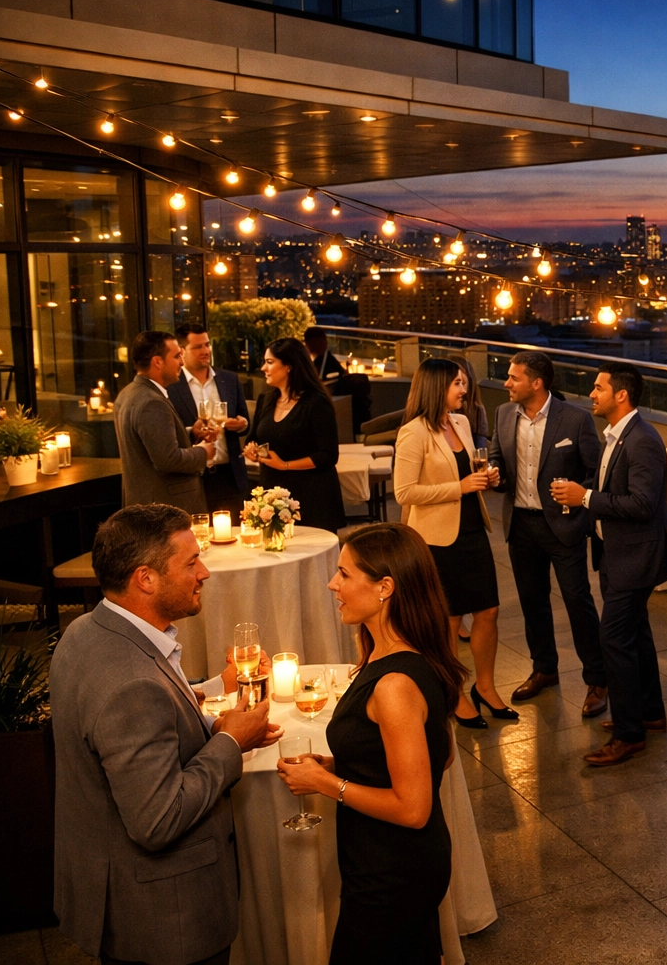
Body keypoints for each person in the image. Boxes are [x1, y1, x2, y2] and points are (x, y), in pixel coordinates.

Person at [51, 504, 280, 965]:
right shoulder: (131, 684)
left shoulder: (86, 631)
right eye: (191, 562)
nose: (205, 572)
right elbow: (158, 819)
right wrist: (230, 742)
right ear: (145, 578)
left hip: (113, 888)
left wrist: (218, 689)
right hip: (164, 918)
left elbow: (148, 713)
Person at [277, 523, 470, 965]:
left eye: (344, 574)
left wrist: (326, 784)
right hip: (392, 863)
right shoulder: (398, 654)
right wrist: (333, 762)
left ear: (385, 586)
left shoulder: (395, 683)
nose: (332, 584)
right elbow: (434, 756)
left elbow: (413, 808)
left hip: (393, 871)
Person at [549, 363, 667, 766]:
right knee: (635, 635)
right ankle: (650, 712)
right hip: (616, 554)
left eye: (598, 387)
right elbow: (615, 492)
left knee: (614, 640)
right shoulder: (615, 437)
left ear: (620, 395)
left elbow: (642, 504)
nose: (592, 393)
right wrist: (584, 492)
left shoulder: (642, 440)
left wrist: (584, 498)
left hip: (635, 558)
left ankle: (629, 734)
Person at [488, 350, 608, 717]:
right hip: (521, 525)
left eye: (514, 377)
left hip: (563, 525)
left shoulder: (575, 419)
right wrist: (494, 472)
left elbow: (596, 473)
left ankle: (597, 680)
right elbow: (496, 455)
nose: (506, 383)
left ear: (536, 383)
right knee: (532, 601)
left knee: (577, 601)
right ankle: (544, 669)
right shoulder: (504, 413)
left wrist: (579, 505)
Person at [394, 357, 511, 727]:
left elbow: (467, 471)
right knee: (449, 619)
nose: (464, 390)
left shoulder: (460, 421)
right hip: (438, 539)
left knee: (488, 610)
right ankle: (455, 690)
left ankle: (487, 687)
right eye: (457, 384)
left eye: (464, 383)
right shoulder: (413, 432)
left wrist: (483, 478)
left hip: (473, 527)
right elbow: (404, 492)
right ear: (436, 387)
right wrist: (458, 488)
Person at [243, 338, 345, 532]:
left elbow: (328, 455)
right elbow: (254, 437)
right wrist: (251, 449)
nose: (263, 368)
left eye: (270, 362)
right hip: (272, 494)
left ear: (289, 366)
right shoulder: (266, 399)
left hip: (312, 496)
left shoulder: (316, 402)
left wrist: (285, 466)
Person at [113, 330, 215, 512]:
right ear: (157, 362)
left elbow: (151, 445)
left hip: (147, 505)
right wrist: (203, 453)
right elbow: (168, 460)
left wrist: (192, 433)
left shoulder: (127, 394)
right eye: (177, 356)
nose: (182, 363)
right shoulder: (151, 401)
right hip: (165, 510)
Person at [166, 322, 251, 513]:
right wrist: (193, 432)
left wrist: (241, 424)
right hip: (193, 477)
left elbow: (245, 421)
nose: (205, 350)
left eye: (207, 344)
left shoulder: (228, 379)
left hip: (230, 476)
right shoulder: (171, 386)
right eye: (197, 347)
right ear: (182, 351)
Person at [446, 353, 490, 443]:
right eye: (457, 383)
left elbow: (480, 451)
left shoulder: (476, 409)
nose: (462, 390)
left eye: (463, 383)